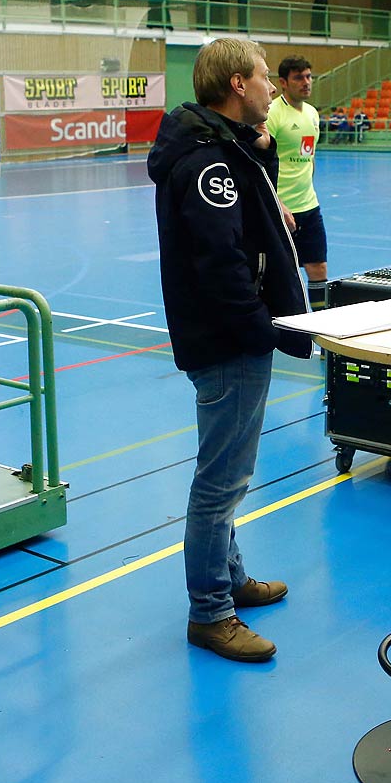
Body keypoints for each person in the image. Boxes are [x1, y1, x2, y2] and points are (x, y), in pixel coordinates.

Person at [148, 38, 307, 663]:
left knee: (230, 473)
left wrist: (260, 148)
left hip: (225, 336)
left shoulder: (220, 150)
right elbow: (222, 263)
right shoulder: (208, 164)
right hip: (227, 340)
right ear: (238, 85)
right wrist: (257, 330)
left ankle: (231, 578)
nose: (273, 88)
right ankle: (211, 611)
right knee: (220, 481)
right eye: (265, 79)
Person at [263, 56, 328, 309]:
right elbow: (262, 163)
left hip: (309, 207)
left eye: (309, 77)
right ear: (283, 83)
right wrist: (277, 203)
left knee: (318, 267)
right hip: (279, 211)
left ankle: (322, 325)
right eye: (299, 78)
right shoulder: (273, 114)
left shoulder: (312, 114)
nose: (306, 82)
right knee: (281, 274)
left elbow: (309, 158)